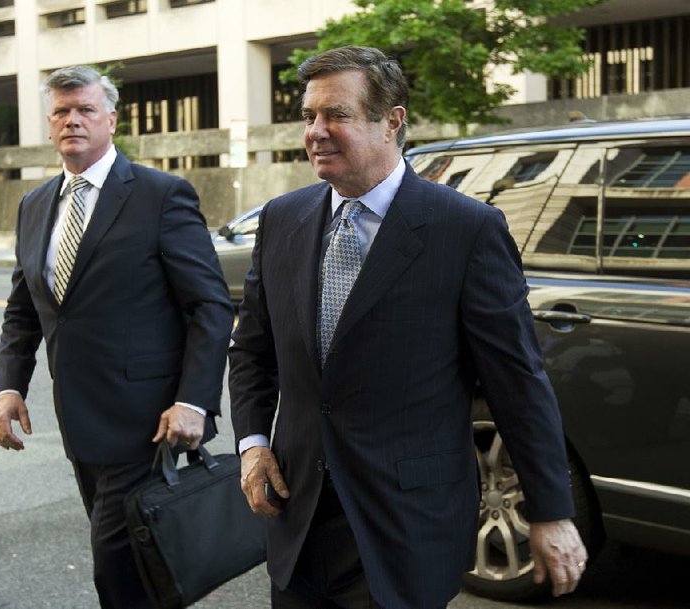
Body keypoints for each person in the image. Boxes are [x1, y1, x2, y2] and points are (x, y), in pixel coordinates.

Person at [228, 46, 588, 609]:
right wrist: (252, 444)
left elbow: (517, 382)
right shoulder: (282, 219)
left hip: (403, 529)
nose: (316, 132)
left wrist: (551, 511)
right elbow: (252, 349)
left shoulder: (466, 230)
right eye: (309, 117)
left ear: (392, 120)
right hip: (296, 518)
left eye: (336, 115)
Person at [0, 65, 233, 609]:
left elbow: (210, 306)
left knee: (118, 571)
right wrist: (10, 388)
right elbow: (23, 311)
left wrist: (193, 400)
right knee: (143, 571)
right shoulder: (34, 206)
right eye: (61, 111)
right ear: (49, 124)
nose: (72, 120)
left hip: (148, 426)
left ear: (112, 119)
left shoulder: (161, 195)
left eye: (85, 109)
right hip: (81, 427)